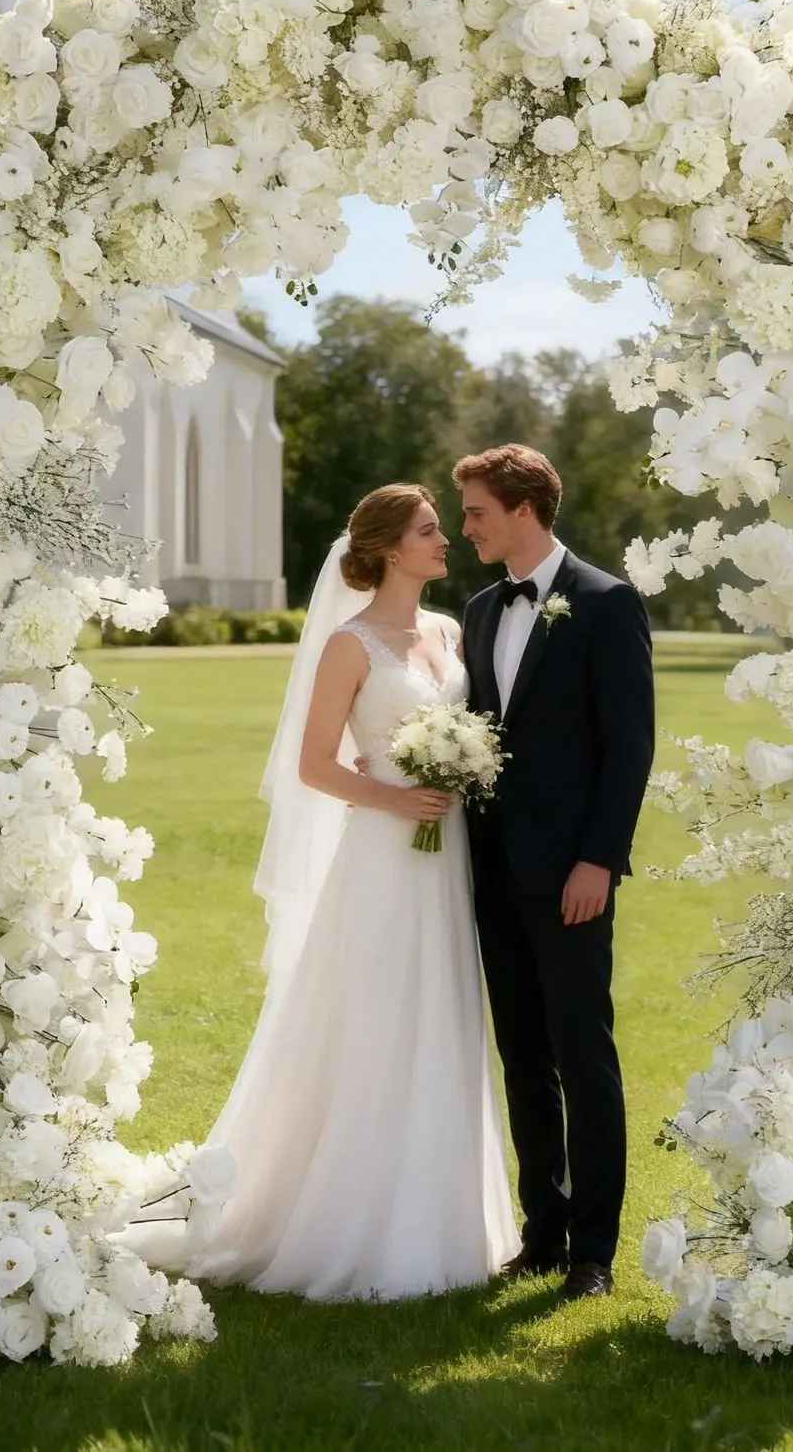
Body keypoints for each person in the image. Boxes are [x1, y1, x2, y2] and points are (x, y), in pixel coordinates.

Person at [177, 484, 518, 1300]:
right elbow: (314, 765)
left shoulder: (448, 628)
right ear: (391, 548)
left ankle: (447, 1220)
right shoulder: (349, 644)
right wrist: (397, 797)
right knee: (377, 1018)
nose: (447, 540)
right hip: (383, 855)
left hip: (450, 854)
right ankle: (349, 1219)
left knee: (443, 1013)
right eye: (431, 531)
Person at [454, 444, 655, 1300]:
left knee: (583, 1056)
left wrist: (598, 860)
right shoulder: (475, 610)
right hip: (490, 873)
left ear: (524, 510)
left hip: (571, 874)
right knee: (522, 1056)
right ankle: (543, 1231)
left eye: (476, 513)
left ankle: (593, 1254)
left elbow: (629, 747)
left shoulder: (608, 604)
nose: (467, 527)